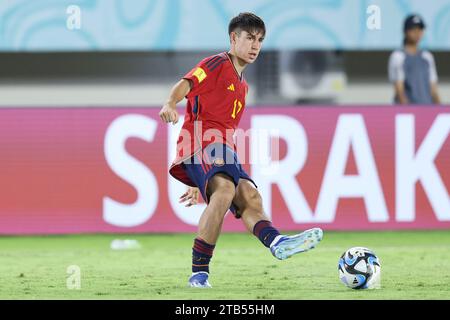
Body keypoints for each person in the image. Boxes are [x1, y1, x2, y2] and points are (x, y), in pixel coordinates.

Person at [159, 12, 323, 288]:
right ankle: (199, 273)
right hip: (201, 141)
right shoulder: (216, 64)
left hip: (220, 149)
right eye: (249, 38)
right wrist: (169, 104)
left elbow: (227, 130)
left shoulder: (243, 87)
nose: (255, 45)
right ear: (233, 39)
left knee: (250, 195)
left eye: (259, 40)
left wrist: (199, 179)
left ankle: (276, 240)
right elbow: (186, 84)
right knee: (225, 191)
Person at [388, 14, 441, 105]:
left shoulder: (427, 57)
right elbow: (399, 90)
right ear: (405, 31)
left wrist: (440, 109)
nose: (417, 32)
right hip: (409, 112)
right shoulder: (398, 56)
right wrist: (410, 111)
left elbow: (433, 89)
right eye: (413, 29)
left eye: (420, 29)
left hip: (427, 109)